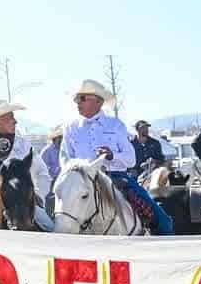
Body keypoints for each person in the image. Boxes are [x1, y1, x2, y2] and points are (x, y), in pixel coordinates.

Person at [61, 79, 174, 234]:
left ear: (98, 102)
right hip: (82, 183)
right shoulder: (69, 127)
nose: (77, 102)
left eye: (82, 98)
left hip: (117, 179)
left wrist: (112, 155)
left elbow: (131, 159)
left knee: (162, 221)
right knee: (62, 220)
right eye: (76, 99)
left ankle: (163, 253)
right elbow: (65, 159)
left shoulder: (115, 125)